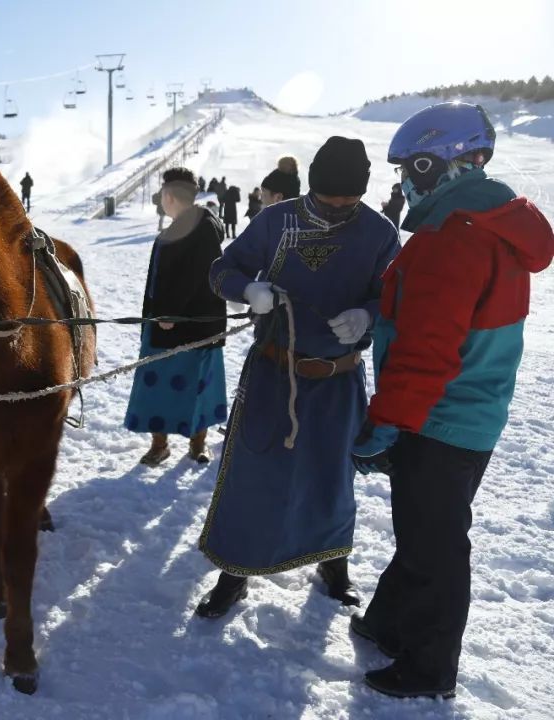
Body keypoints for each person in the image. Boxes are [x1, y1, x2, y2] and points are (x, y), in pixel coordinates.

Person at [350, 103, 554, 700]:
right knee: (422, 530)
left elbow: (428, 348)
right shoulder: (482, 225)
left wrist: (386, 421)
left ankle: (428, 668)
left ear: (434, 163)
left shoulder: (454, 239)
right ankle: (390, 623)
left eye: (409, 170)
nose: (404, 184)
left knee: (435, 543)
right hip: (467, 413)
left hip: (440, 416)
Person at [196, 136, 401, 619]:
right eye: (326, 199)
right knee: (254, 473)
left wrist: (368, 314)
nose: (335, 209)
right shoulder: (275, 219)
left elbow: (395, 296)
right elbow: (222, 269)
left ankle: (333, 564)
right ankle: (235, 572)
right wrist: (247, 288)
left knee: (332, 479)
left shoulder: (379, 233)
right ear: (311, 187)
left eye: (347, 201)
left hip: (338, 379)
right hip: (273, 370)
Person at [124, 167, 228, 466]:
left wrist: (171, 313)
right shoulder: (176, 227)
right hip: (163, 324)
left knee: (198, 385)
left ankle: (198, 444)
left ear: (170, 196)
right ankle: (160, 444)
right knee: (158, 385)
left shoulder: (202, 226)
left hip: (193, 326)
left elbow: (197, 275)